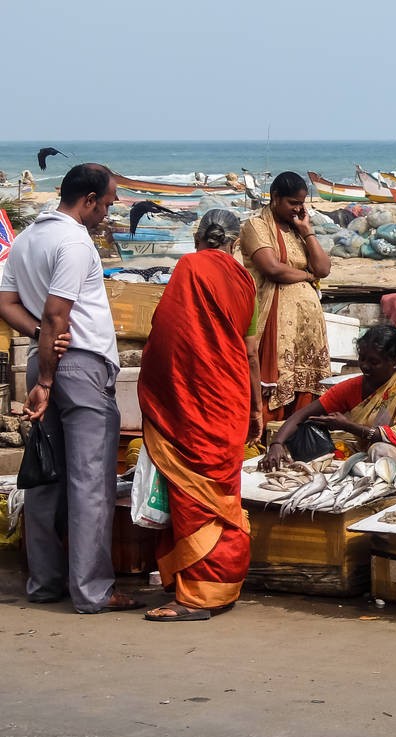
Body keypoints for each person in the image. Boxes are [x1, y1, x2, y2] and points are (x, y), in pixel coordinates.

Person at [0, 163, 141, 614]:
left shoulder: (26, 239)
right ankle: (93, 591)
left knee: (46, 478)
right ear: (87, 199)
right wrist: (46, 372)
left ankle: (45, 583)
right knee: (89, 482)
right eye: (108, 200)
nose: (111, 208)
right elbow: (59, 314)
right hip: (74, 366)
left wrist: (41, 339)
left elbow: (6, 303)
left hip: (49, 359)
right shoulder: (74, 241)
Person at [139, 210, 261, 622]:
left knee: (193, 496)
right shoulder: (245, 280)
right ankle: (219, 587)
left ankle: (196, 598)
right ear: (234, 243)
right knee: (221, 492)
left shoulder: (189, 268)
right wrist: (256, 406)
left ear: (198, 238)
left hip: (193, 402)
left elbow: (168, 335)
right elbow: (251, 350)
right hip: (229, 398)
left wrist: (160, 387)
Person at [260, 324, 396, 484]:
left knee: (380, 450)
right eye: (362, 359)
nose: (365, 366)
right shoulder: (354, 387)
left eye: (374, 362)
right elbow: (302, 415)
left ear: (395, 362)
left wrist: (348, 426)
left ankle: (390, 501)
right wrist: (277, 444)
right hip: (369, 457)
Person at [239, 171, 331, 424]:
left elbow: (323, 268)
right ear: (275, 197)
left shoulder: (298, 229)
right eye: (293, 203)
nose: (298, 208)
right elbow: (272, 268)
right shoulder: (256, 226)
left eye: (301, 203)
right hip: (275, 322)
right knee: (275, 384)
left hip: (306, 328)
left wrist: (307, 231)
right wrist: (307, 276)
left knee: (307, 390)